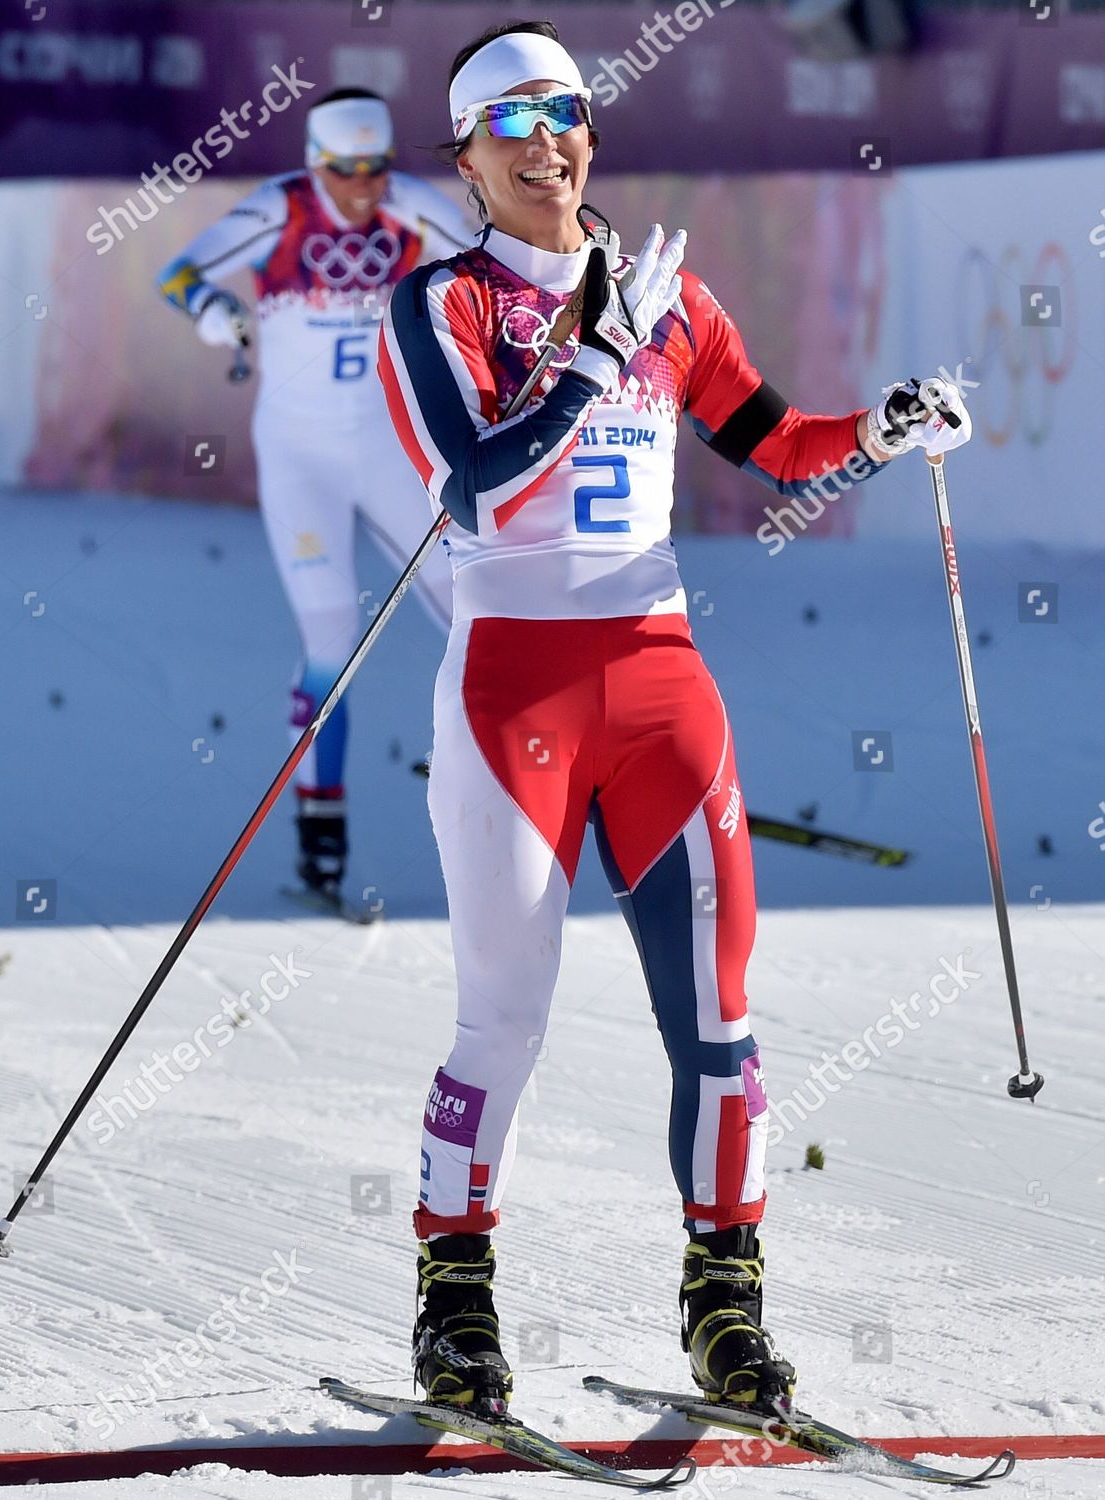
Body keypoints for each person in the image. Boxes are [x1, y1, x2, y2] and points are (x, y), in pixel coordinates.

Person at [378, 20, 971, 1416]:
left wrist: (884, 429)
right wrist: (592, 358)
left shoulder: (669, 296)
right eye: (510, 123)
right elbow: (473, 488)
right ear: (464, 158)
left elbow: (779, 444)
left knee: (718, 1019)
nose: (546, 142)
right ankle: (455, 1303)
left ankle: (727, 1303)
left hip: (657, 686)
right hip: (511, 690)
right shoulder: (442, 302)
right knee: (503, 1020)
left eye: (566, 112)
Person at [157, 89, 475, 907]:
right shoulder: (278, 209)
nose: (364, 187)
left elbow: (491, 265)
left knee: (476, 608)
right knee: (331, 633)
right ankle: (320, 840)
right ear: (315, 161)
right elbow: (178, 272)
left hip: (386, 450)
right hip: (300, 456)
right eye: (346, 172)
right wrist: (210, 309)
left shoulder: (409, 205)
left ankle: (530, 771)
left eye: (375, 168)